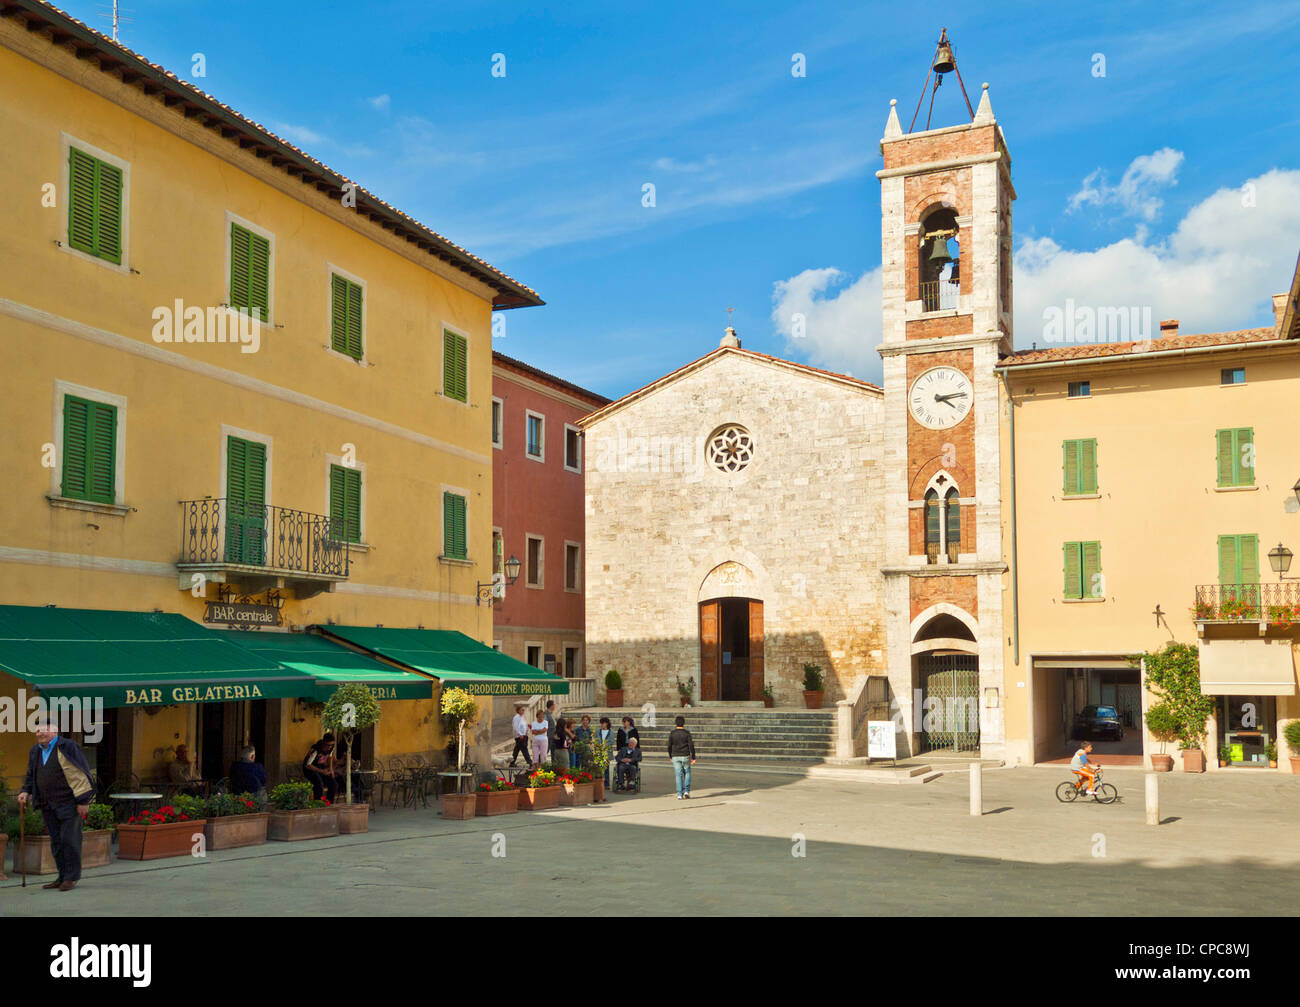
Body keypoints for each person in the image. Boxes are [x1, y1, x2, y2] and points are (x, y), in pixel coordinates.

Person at [17, 719, 95, 892]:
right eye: (37, 731)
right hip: (47, 803)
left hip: (68, 802)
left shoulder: (68, 746)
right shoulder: (35, 751)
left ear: (55, 731)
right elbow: (31, 774)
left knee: (70, 840)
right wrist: (25, 791)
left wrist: (83, 801)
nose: (40, 733)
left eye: (43, 730)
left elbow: (81, 772)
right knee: (56, 842)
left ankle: (71, 877)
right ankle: (61, 876)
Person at [667, 715, 697, 799]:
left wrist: (670, 755)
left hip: (675, 755)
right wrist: (693, 756)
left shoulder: (672, 733)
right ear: (683, 723)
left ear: (676, 723)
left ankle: (679, 793)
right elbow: (691, 745)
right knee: (687, 772)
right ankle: (686, 791)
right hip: (685, 754)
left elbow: (669, 745)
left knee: (678, 775)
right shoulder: (686, 733)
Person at [303, 734, 337, 801]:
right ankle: (318, 802)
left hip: (319, 767)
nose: (330, 747)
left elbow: (330, 757)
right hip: (309, 770)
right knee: (319, 784)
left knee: (333, 783)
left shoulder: (331, 748)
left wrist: (331, 769)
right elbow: (308, 765)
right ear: (324, 742)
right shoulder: (315, 749)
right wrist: (322, 771)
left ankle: (330, 802)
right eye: (328, 745)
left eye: (332, 745)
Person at [595, 716, 616, 790]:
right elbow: (595, 739)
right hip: (599, 751)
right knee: (598, 768)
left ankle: (606, 784)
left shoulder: (611, 732)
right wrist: (599, 745)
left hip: (607, 752)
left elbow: (611, 741)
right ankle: (598, 782)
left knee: (606, 768)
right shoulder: (598, 731)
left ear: (606, 724)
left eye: (603, 723)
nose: (602, 725)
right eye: (601, 723)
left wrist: (604, 745)